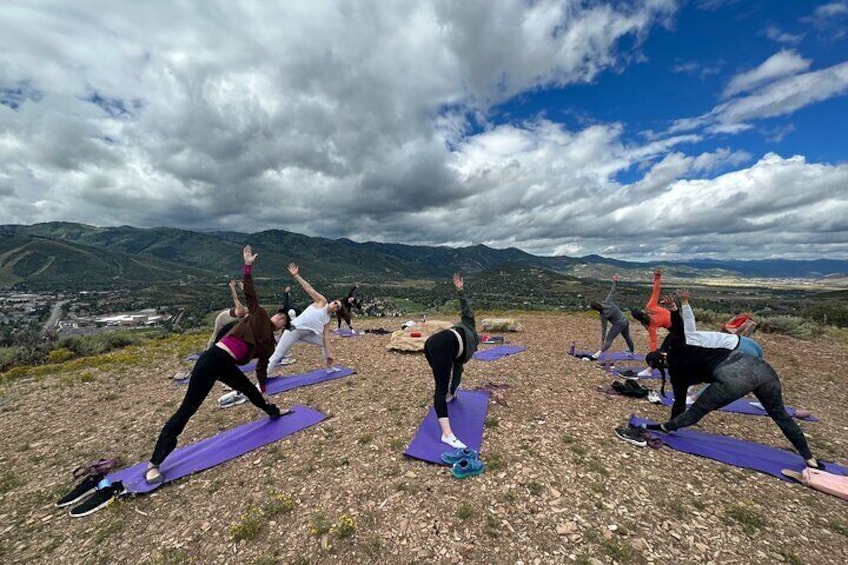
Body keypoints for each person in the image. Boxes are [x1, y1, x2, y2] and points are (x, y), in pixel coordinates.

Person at [615, 294, 824, 470]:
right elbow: (681, 327)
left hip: (733, 377)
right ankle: (809, 458)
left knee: (696, 411)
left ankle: (658, 427)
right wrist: (676, 307)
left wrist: (670, 425)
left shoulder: (677, 373)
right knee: (779, 415)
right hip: (760, 367)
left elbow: (680, 405)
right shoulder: (679, 345)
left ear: (661, 365)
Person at [146, 246, 288, 485]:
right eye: (279, 315)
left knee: (251, 391)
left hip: (227, 365)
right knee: (187, 409)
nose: (280, 319)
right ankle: (154, 463)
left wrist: (264, 388)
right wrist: (247, 266)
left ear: (283, 327)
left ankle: (274, 411)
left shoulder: (269, 346)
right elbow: (251, 293)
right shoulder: (259, 314)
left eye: (284, 320)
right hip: (211, 360)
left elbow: (262, 368)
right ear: (274, 316)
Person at [423, 273, 480, 449]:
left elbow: (466, 307)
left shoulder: (468, 324)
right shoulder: (469, 350)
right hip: (443, 346)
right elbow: (458, 371)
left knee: (441, 384)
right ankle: (447, 435)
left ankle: (445, 396)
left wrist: (460, 288)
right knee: (441, 389)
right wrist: (452, 391)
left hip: (432, 342)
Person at [266, 264, 343, 375]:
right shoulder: (322, 302)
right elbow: (309, 289)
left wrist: (329, 354)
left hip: (307, 333)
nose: (335, 306)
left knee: (324, 343)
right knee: (278, 354)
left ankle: (329, 368)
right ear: (332, 302)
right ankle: (263, 377)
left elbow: (326, 338)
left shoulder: (327, 319)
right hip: (294, 329)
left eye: (337, 307)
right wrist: (296, 276)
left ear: (336, 311)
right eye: (335, 303)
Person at [631, 268, 671, 376]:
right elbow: (655, 291)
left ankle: (651, 368)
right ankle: (653, 367)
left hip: (675, 328)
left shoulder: (649, 325)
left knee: (665, 349)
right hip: (677, 323)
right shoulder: (650, 307)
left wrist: (653, 354)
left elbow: (653, 341)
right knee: (667, 348)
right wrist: (657, 277)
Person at [589, 274, 635, 359]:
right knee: (627, 337)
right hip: (625, 320)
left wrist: (603, 339)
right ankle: (631, 352)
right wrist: (614, 281)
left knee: (609, 340)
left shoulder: (603, 315)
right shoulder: (607, 302)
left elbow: (604, 328)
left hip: (619, 324)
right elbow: (613, 291)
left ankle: (596, 355)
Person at [206, 279, 249, 349]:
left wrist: (243, 288)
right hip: (222, 319)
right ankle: (209, 348)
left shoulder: (248, 310)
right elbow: (235, 298)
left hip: (229, 320)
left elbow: (249, 299)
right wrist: (232, 287)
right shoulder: (240, 309)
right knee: (216, 334)